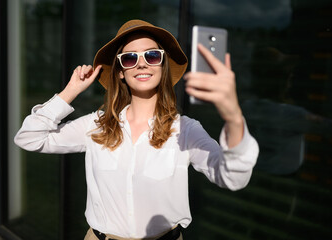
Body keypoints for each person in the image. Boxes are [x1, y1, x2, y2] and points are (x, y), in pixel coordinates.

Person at [14, 19, 259, 240]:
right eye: (130, 58)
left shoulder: (185, 130)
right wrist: (70, 92)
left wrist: (234, 117)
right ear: (121, 72)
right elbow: (29, 138)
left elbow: (232, 178)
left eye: (152, 56)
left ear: (162, 65)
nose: (141, 64)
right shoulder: (96, 124)